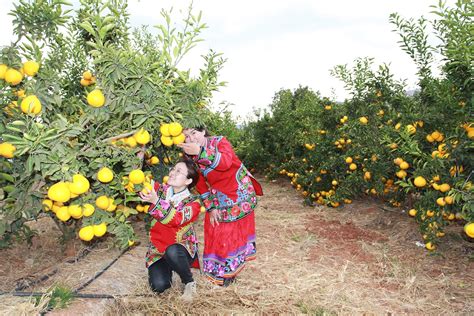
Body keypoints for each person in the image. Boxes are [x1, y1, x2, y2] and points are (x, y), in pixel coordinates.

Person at [177, 126, 263, 286]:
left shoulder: (220, 142)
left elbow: (225, 163)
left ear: (203, 131)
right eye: (186, 137)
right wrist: (210, 207)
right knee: (215, 229)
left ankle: (230, 273)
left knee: (232, 233)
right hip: (221, 194)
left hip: (239, 192)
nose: (191, 139)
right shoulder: (189, 157)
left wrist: (200, 151)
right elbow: (200, 184)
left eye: (193, 133)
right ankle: (217, 270)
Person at [139, 159, 201, 301]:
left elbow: (176, 219)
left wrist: (156, 202)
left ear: (188, 181)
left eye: (179, 171)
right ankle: (168, 269)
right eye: (173, 169)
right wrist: (138, 159)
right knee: (159, 286)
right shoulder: (160, 190)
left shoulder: (193, 203)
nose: (172, 173)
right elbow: (139, 181)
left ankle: (188, 282)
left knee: (173, 251)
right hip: (158, 250)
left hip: (181, 249)